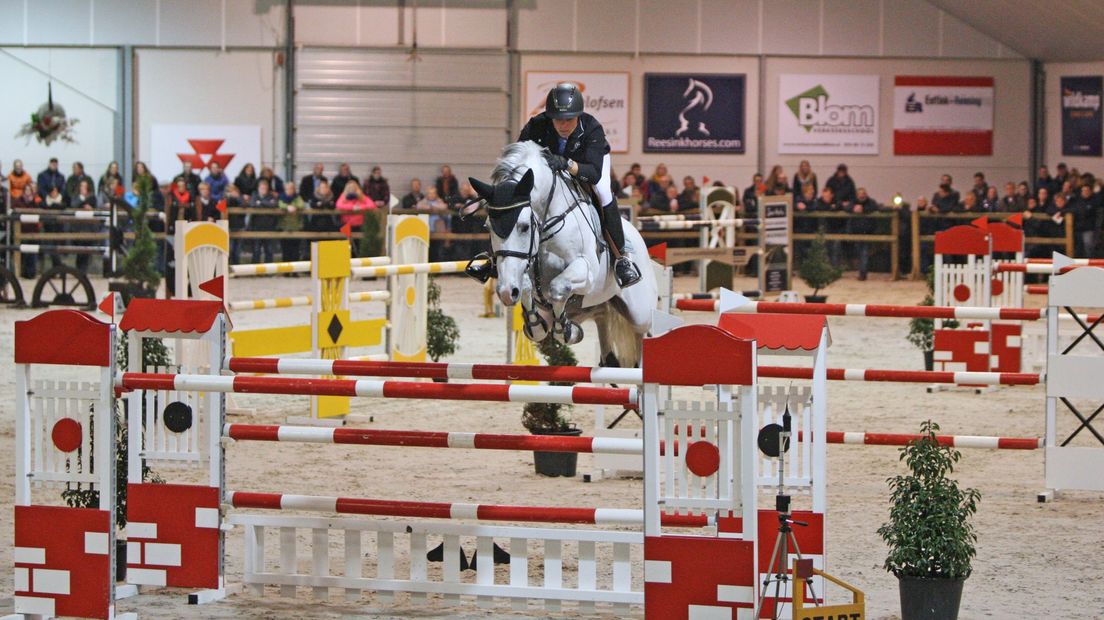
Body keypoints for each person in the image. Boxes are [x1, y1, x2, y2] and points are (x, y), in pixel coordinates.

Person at [849, 187, 879, 280]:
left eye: (863, 193)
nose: (862, 195)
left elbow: (875, 207)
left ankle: (863, 274)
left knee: (864, 253)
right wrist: (853, 208)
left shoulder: (871, 202)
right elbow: (846, 207)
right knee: (859, 253)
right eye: (860, 194)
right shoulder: (853, 202)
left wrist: (863, 209)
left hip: (867, 231)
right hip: (856, 232)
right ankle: (861, 271)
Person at [249, 178, 279, 263]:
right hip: (256, 226)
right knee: (256, 250)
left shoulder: (272, 196)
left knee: (269, 250)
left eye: (265, 188)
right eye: (262, 188)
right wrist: (266, 203)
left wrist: (261, 202)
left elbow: (274, 204)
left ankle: (269, 271)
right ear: (258, 188)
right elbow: (252, 204)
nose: (263, 189)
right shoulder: (254, 194)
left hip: (269, 227)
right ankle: (254, 271)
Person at [417, 186, 450, 261]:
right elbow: (419, 206)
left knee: (438, 250)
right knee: (428, 250)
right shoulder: (423, 202)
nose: (431, 195)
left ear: (436, 194)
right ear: (427, 194)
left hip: (438, 230)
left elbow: (444, 207)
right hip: (426, 230)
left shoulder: (439, 201)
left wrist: (433, 207)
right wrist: (430, 208)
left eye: (433, 193)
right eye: (429, 193)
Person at [278, 180, 305, 262]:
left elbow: (301, 205)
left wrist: (293, 206)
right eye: (287, 189)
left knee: (295, 250)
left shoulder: (297, 197)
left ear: (294, 190)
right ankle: (286, 272)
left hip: (296, 227)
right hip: (284, 227)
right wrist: (287, 207)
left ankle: (295, 272)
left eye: (291, 189)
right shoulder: (281, 197)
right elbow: (280, 204)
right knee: (285, 250)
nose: (289, 190)